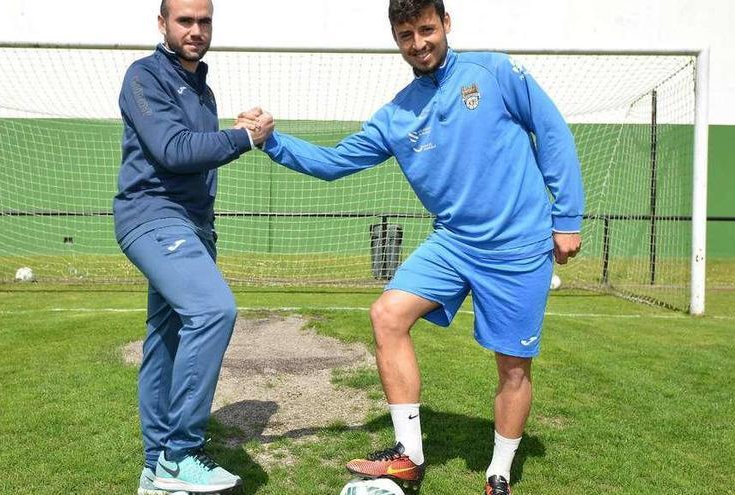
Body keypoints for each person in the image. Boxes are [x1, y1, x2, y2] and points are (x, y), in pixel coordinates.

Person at [238, 1, 582, 493]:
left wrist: (566, 217)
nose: (418, 43)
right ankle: (408, 455)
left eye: (426, 29)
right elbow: (334, 161)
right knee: (387, 315)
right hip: (454, 243)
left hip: (518, 245)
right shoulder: (397, 115)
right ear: (396, 39)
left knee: (512, 365)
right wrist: (271, 142)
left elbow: (551, 133)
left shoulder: (497, 71)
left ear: (446, 25)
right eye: (406, 34)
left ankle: (499, 472)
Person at [113, 0, 274, 493]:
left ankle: (154, 468)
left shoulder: (202, 90)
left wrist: (233, 127)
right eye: (185, 20)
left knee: (165, 341)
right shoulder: (144, 76)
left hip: (195, 226)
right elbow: (172, 150)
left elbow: (201, 151)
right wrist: (243, 137)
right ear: (162, 23)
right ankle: (181, 454)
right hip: (152, 216)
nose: (196, 29)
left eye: (204, 21)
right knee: (213, 310)